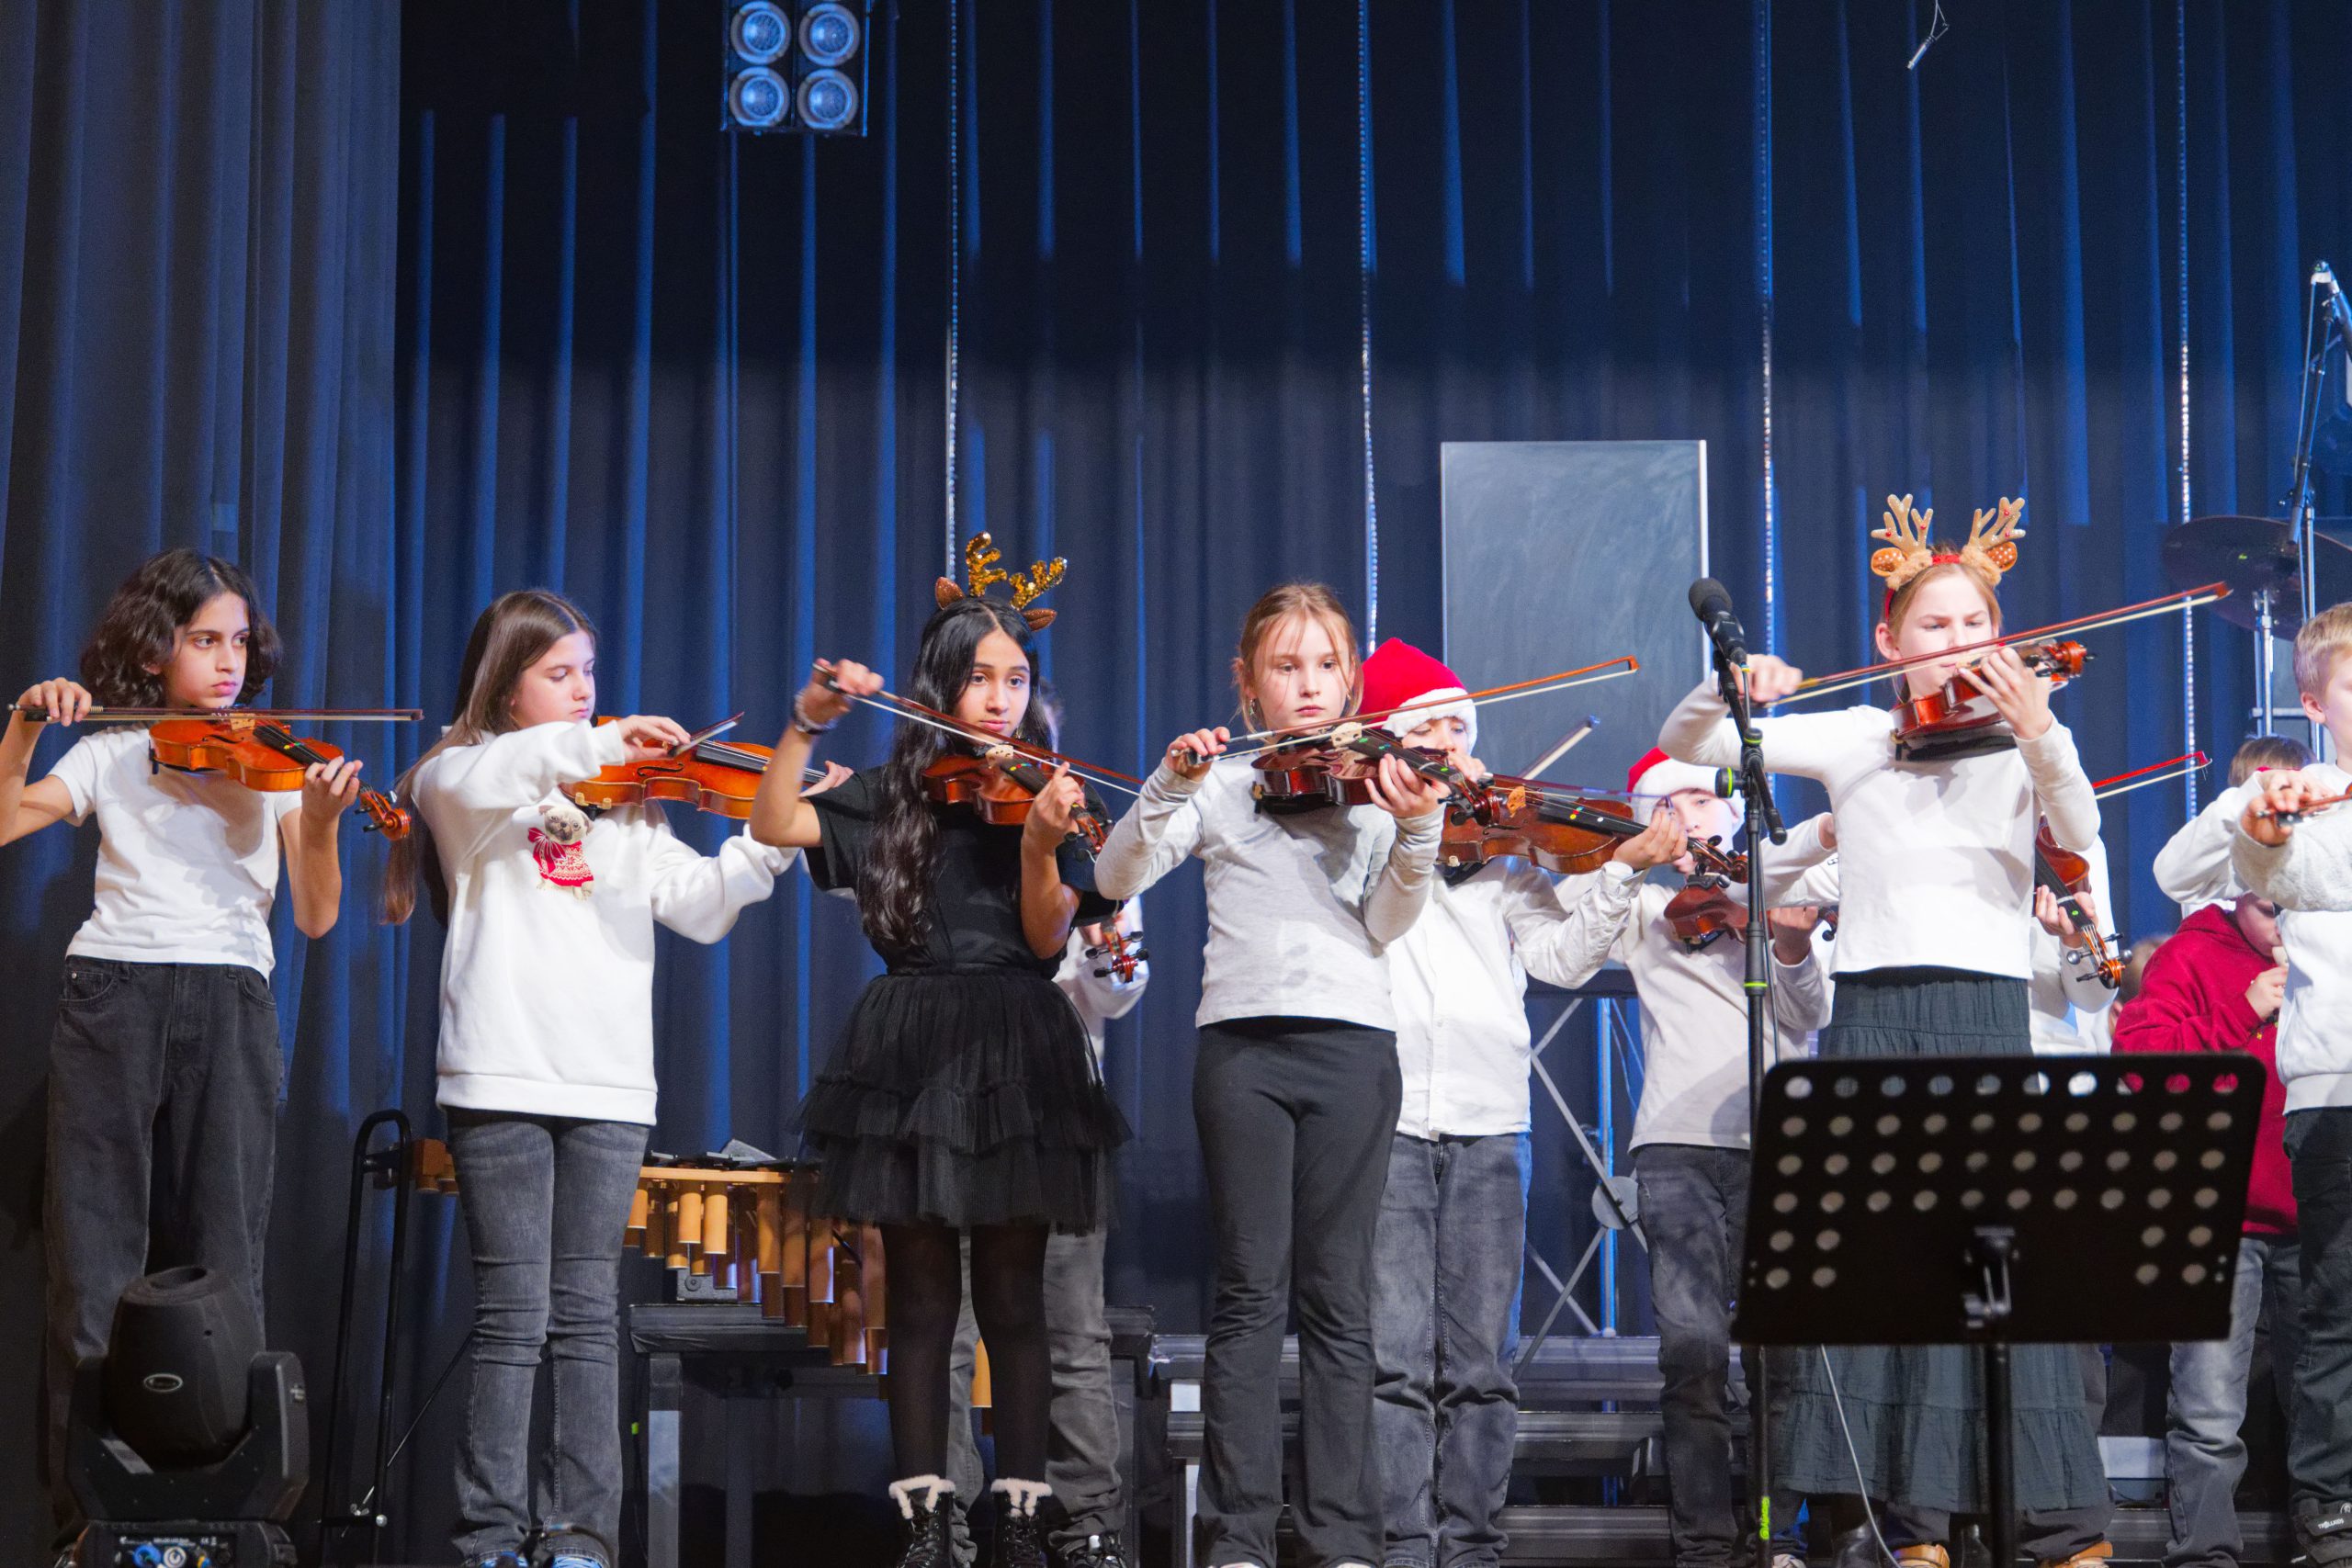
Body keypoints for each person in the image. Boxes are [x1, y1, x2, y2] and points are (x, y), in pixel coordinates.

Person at [1657, 495, 2112, 1567]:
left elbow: (2081, 832)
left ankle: (2051, 1521)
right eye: (1933, 626)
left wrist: (2041, 734)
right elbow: (1691, 743)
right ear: (1889, 642)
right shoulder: (1861, 737)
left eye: (1974, 624)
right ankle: (1912, 1525)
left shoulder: (2026, 736)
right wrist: (1729, 684)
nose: (1957, 643)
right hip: (1872, 1020)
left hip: (1986, 1017)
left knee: (1995, 1272)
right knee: (1897, 1269)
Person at [386, 589, 799, 1568]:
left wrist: (774, 836)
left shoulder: (628, 800)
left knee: (585, 1317)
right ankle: (491, 1536)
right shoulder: (460, 778)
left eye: (590, 672)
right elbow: (514, 765)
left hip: (609, 1083)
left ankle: (580, 1535)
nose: (583, 690)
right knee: (511, 1318)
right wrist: (604, 738)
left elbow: (700, 906)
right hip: (500, 1074)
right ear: (508, 685)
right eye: (559, 672)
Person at [748, 559, 1127, 1568]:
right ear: (941, 687)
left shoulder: (1050, 794)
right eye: (979, 679)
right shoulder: (892, 796)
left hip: (1018, 1042)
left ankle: (1020, 1524)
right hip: (913, 1040)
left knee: (1015, 1300)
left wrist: (1042, 845)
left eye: (1016, 680)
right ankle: (926, 1526)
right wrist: (806, 723)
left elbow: (1047, 941)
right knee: (917, 1303)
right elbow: (772, 821)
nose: (999, 699)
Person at [0, 550, 364, 1549]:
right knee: (93, 1260)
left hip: (232, 994)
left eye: (239, 641)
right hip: (113, 988)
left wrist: (321, 821)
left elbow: (318, 915)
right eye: (206, 640)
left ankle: (218, 1517)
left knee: (227, 1260)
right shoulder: (114, 749)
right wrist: (25, 724)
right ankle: (89, 1524)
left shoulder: (273, 758)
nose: (229, 661)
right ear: (157, 649)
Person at [1093, 584, 1448, 1568]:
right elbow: (1114, 878)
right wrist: (1166, 784)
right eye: (1286, 667)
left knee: (1340, 1299)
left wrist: (1418, 831)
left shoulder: (1376, 788)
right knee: (1250, 1293)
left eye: (1326, 665)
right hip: (1242, 1051)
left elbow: (1387, 923)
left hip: (1353, 1049)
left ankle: (1343, 1537)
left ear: (1352, 680)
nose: (1308, 685)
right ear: (1248, 685)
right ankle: (1240, 1536)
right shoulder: (1219, 785)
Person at [1353, 639, 1686, 1568]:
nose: (1453, 746)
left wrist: (1622, 869)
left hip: (1491, 1117)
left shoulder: (1502, 853)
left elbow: (1562, 961)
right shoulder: (1360, 838)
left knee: (1481, 1366)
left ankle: (1472, 1547)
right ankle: (1401, 1547)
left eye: (1461, 728)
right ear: (1385, 740)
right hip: (1385, 1116)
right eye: (1428, 728)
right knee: (1392, 1362)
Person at [1605, 746, 1835, 1568]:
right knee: (1692, 1351)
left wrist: (1791, 945)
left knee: (1785, 1354)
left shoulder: (1781, 890)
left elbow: (1810, 1013)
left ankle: (1779, 1537)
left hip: (1776, 1138)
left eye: (1704, 799)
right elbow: (1569, 938)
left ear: (1736, 813)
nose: (1691, 815)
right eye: (1670, 804)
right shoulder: (1644, 908)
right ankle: (1704, 1542)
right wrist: (1624, 866)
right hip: (1674, 1144)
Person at [942, 679, 1147, 1568]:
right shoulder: (943, 828)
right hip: (950, 1101)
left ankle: (1086, 1519)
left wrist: (1101, 950)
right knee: (944, 1329)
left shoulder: (1088, 842)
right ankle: (944, 1525)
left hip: (1055, 1111)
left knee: (1071, 1328)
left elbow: (1123, 990)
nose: (1013, 760)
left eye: (1031, 745)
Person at [2115, 764, 2300, 1568]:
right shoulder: (2194, 953)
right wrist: (2242, 1010)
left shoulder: (2333, 948)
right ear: (2238, 884)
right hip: (2220, 1213)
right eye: (2269, 905)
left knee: (2324, 1397)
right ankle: (2206, 1554)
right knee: (2209, 1408)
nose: (2283, 922)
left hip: (2316, 1206)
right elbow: (2141, 1062)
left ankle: (2323, 1538)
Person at [2219, 608, 2352, 1567]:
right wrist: (2261, 821)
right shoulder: (2305, 813)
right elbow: (2262, 872)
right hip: (2336, 1088)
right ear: (2312, 704)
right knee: (2335, 1313)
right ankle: (2330, 1508)